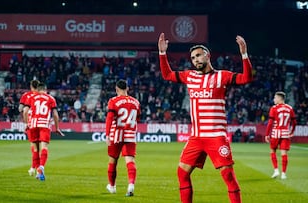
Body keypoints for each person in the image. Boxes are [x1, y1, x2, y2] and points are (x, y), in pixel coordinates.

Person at [158, 32, 253, 203]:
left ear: (207, 55)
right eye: (193, 57)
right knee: (182, 173)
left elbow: (247, 78)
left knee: (228, 176)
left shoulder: (221, 76)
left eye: (198, 55)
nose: (195, 60)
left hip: (216, 136)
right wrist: (162, 54)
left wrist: (244, 53)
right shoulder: (190, 76)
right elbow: (167, 75)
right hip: (196, 137)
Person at [105, 79, 141, 197]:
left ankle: (112, 186)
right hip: (130, 135)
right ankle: (131, 185)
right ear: (128, 89)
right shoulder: (136, 102)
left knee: (113, 161)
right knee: (130, 161)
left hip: (117, 134)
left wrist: (107, 134)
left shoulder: (113, 101)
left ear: (116, 89)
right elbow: (138, 119)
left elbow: (109, 118)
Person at [23, 82, 64, 181]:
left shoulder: (31, 97)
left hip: (33, 124)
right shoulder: (50, 98)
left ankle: (38, 171)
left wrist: (26, 124)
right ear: (45, 89)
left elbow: (25, 111)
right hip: (44, 124)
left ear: (38, 89)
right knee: (44, 148)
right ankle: (41, 167)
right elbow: (55, 115)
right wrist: (57, 128)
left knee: (35, 149)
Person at [265, 91, 296, 179]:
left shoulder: (274, 108)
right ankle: (283, 174)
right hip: (286, 133)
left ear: (279, 99)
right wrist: (292, 131)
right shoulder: (290, 108)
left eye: (275, 98)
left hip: (276, 133)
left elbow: (270, 123)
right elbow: (294, 122)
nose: (274, 99)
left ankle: (276, 170)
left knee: (272, 151)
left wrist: (267, 134)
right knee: (284, 154)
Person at [19, 79, 40, 176]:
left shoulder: (26, 95)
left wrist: (26, 122)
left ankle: (34, 168)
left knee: (34, 147)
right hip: (41, 122)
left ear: (31, 86)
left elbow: (21, 109)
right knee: (39, 148)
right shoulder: (43, 95)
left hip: (31, 122)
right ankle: (35, 167)